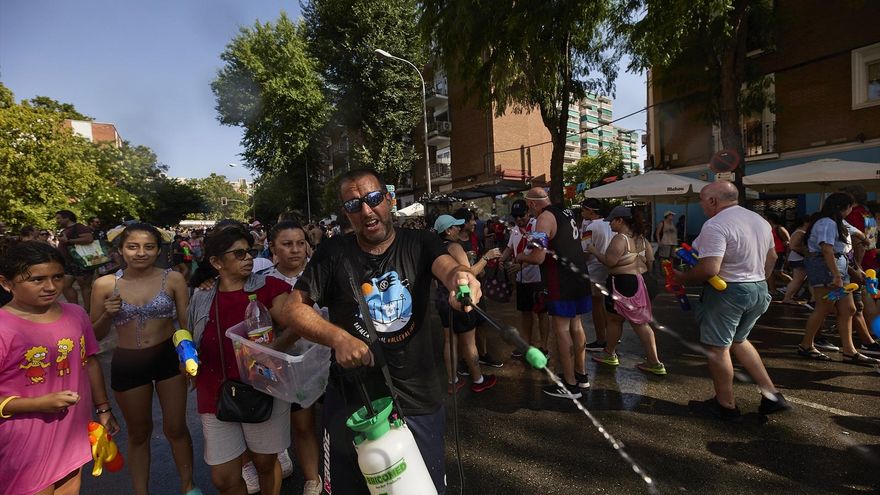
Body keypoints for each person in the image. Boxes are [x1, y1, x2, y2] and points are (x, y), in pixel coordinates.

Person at [282, 168, 481, 495]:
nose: (366, 210)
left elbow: (449, 269)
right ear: (346, 214)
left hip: (417, 397)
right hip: (352, 400)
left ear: (389, 200)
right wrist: (339, 338)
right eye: (353, 205)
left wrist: (462, 279)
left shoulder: (421, 242)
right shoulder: (333, 253)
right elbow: (293, 308)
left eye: (374, 199)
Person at [0, 241, 119, 495]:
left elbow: (90, 362)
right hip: (25, 444)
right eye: (37, 279)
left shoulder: (76, 314)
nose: (51, 287)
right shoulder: (3, 328)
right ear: (6, 283)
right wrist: (37, 404)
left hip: (71, 432)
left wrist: (104, 409)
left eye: (57, 277)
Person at [90, 223, 200, 495]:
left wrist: (187, 357)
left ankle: (189, 487)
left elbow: (186, 324)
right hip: (128, 364)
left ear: (158, 249)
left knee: (176, 428)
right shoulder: (104, 284)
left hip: (167, 359)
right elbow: (94, 335)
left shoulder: (172, 279)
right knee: (139, 434)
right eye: (133, 247)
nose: (141, 253)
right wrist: (107, 314)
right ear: (120, 250)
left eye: (149, 247)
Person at [188, 225, 293, 495]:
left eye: (249, 252)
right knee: (223, 478)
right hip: (214, 392)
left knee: (265, 463)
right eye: (238, 254)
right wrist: (187, 361)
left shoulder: (270, 288)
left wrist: (271, 350)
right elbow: (188, 338)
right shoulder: (201, 296)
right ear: (216, 262)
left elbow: (295, 325)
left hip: (263, 388)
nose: (248, 258)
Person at [673, 181, 791, 420]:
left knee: (718, 348)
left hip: (728, 291)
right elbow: (772, 256)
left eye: (703, 200)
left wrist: (682, 279)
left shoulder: (715, 224)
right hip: (757, 287)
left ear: (714, 201)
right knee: (739, 339)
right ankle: (772, 396)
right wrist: (758, 279)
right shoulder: (759, 221)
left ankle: (725, 405)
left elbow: (709, 268)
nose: (701, 205)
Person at [256, 221, 323, 495]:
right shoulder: (263, 280)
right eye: (286, 244)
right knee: (303, 426)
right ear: (272, 248)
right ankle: (312, 480)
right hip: (292, 366)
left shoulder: (322, 272)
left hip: (331, 361)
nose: (295, 250)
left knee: (339, 422)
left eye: (300, 243)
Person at [516, 187, 590, 399]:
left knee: (562, 329)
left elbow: (538, 257)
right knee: (576, 325)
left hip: (561, 279)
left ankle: (569, 384)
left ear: (531, 204)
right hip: (579, 276)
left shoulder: (544, 218)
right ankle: (581, 376)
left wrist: (520, 256)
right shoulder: (566, 212)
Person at [798, 192, 880, 366]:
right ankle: (806, 345)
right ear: (845, 207)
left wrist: (864, 240)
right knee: (824, 307)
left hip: (838, 269)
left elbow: (856, 233)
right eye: (850, 207)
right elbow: (827, 250)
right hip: (826, 269)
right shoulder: (826, 223)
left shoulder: (838, 221)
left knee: (849, 309)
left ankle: (849, 351)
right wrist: (836, 275)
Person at [588, 206, 666, 375]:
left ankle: (651, 361)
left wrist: (594, 251)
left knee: (623, 321)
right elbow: (650, 261)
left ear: (620, 220)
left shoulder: (620, 239)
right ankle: (613, 353)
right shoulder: (642, 239)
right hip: (643, 281)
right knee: (628, 320)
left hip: (624, 283)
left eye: (612, 222)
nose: (609, 225)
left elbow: (609, 261)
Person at [434, 214, 501, 393]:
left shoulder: (436, 248)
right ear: (448, 230)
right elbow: (469, 273)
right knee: (469, 342)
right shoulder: (455, 247)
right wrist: (486, 258)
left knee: (449, 341)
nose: (459, 229)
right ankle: (478, 379)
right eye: (455, 227)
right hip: (460, 298)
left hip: (442, 298)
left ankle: (452, 381)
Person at [500, 199, 550, 358]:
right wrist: (501, 259)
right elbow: (509, 248)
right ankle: (527, 344)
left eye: (521, 215)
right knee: (525, 313)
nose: (518, 219)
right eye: (515, 216)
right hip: (521, 279)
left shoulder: (537, 226)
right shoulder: (515, 230)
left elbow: (539, 253)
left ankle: (544, 346)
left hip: (537, 277)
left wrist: (523, 265)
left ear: (528, 212)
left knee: (541, 312)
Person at [454, 207, 503, 368]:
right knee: (464, 328)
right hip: (462, 291)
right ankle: (464, 361)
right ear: (463, 223)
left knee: (481, 323)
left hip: (477, 289)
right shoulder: (454, 244)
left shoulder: (475, 238)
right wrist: (486, 258)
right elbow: (465, 270)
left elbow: (479, 260)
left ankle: (483, 354)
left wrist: (481, 269)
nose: (475, 222)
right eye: (471, 220)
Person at [580, 199, 614, 352]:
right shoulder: (610, 224)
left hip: (593, 270)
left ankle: (601, 340)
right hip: (609, 268)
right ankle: (612, 336)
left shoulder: (591, 227)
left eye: (583, 209)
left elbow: (585, 252)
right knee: (606, 306)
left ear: (590, 211)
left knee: (597, 306)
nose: (582, 212)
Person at [55, 210, 97, 311]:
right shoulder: (65, 229)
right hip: (68, 263)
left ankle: (88, 312)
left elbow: (88, 239)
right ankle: (76, 310)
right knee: (65, 286)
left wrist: (68, 241)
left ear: (67, 218)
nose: (57, 221)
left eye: (58, 218)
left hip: (80, 262)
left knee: (85, 287)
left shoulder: (79, 227)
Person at [765, 213, 793, 295]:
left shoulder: (780, 229)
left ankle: (795, 286)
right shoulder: (768, 229)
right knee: (770, 272)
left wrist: (788, 255)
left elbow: (788, 242)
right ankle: (773, 290)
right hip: (771, 253)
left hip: (780, 253)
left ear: (770, 220)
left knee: (778, 272)